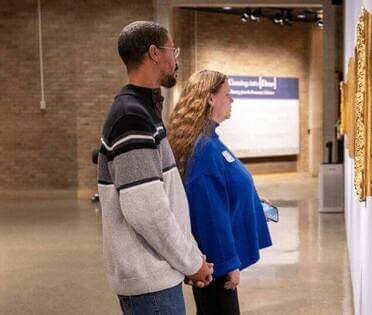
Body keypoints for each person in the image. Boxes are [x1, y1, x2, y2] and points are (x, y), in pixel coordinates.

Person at [96, 21, 213, 315]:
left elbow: (164, 199)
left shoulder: (142, 110)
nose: (176, 59)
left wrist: (188, 257)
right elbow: (147, 211)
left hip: (159, 273)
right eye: (173, 50)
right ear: (154, 53)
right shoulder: (131, 117)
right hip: (151, 283)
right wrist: (191, 262)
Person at [168, 70, 273, 315]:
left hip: (215, 265)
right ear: (210, 99)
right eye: (228, 94)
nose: (232, 100)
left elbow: (222, 186)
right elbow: (209, 216)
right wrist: (227, 265)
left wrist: (251, 201)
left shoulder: (210, 140)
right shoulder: (204, 149)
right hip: (216, 269)